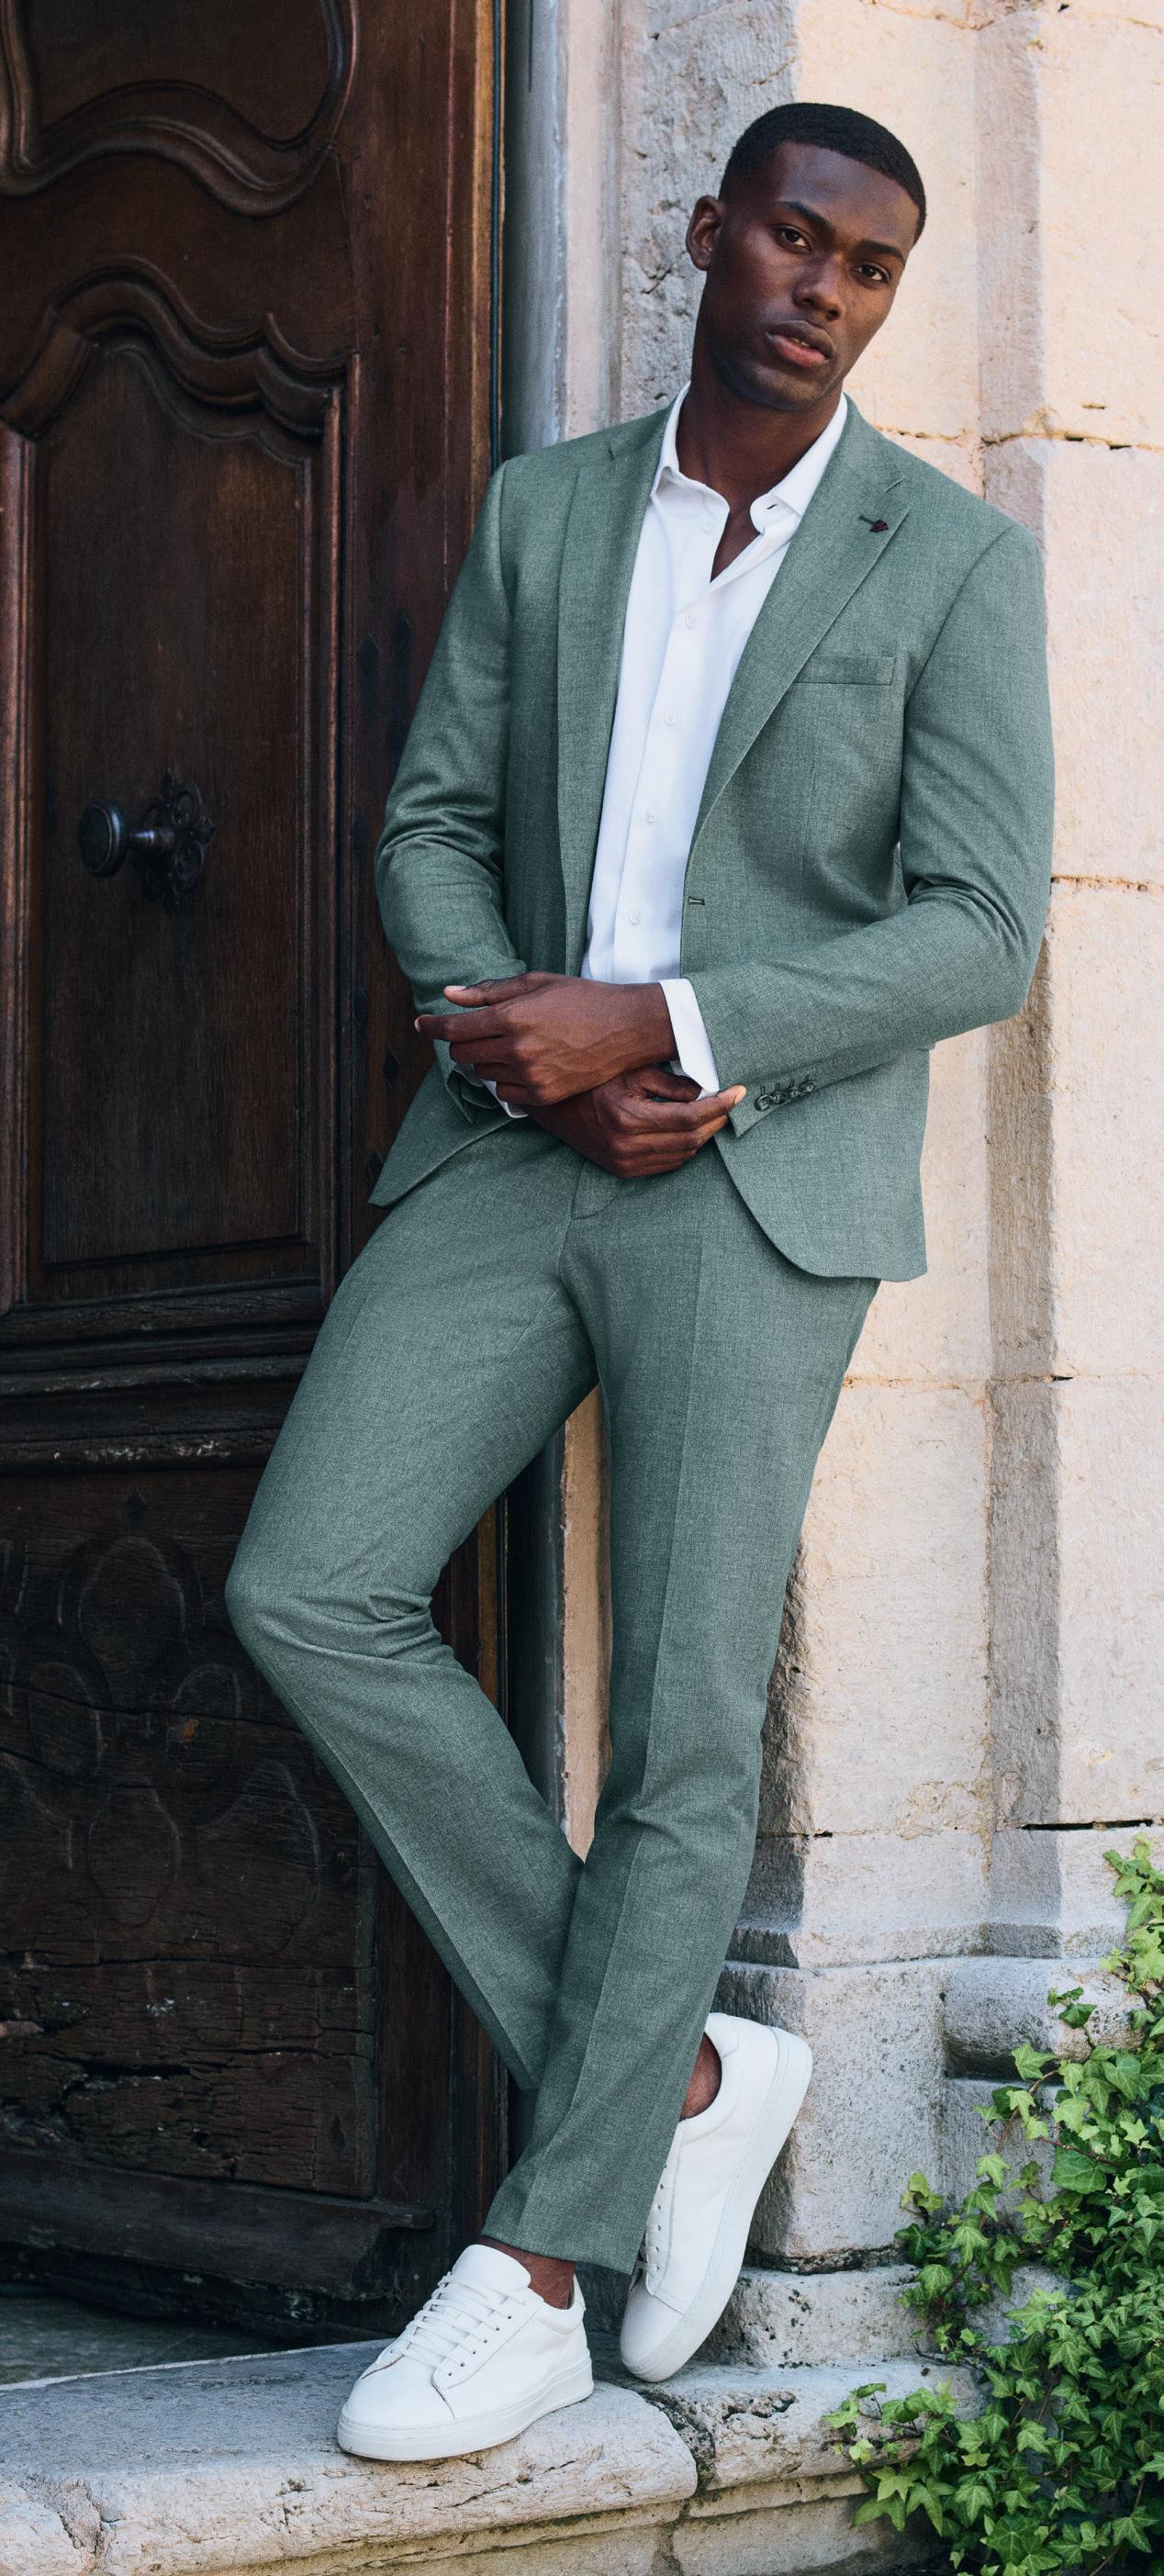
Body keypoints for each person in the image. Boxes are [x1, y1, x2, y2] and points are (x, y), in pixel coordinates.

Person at [225, 99, 1054, 2463]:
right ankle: (675, 2069)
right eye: (794, 238)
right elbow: (430, 823)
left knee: (685, 1727)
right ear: (707, 231)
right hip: (514, 1147)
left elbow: (980, 927)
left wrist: (674, 1026)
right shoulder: (548, 509)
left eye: (870, 268)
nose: (825, 291)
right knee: (308, 1585)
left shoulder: (951, 560)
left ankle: (541, 2260)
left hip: (754, 1176)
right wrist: (525, 1029)